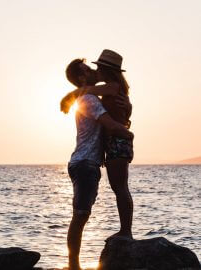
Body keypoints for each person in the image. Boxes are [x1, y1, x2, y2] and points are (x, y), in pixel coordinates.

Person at [60, 51, 133, 270]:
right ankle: (73, 265)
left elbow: (115, 116)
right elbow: (111, 123)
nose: (95, 71)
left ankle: (125, 231)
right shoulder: (91, 98)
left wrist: (74, 92)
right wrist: (127, 130)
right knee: (82, 213)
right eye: (90, 69)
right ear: (82, 77)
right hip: (87, 161)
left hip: (97, 156)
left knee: (116, 190)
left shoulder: (101, 91)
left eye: (98, 67)